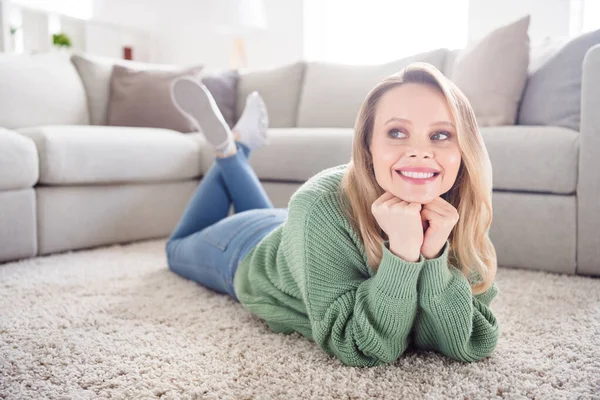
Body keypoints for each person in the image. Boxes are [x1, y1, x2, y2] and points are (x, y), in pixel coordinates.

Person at [165, 62, 499, 368]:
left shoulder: (458, 209)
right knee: (175, 248)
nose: (419, 151)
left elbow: (467, 339)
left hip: (301, 237)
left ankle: (238, 145)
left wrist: (432, 254)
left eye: (441, 135)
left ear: (464, 149)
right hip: (244, 248)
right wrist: (402, 255)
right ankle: (229, 151)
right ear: (367, 144)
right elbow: (361, 346)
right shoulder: (318, 204)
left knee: (278, 217)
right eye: (397, 132)